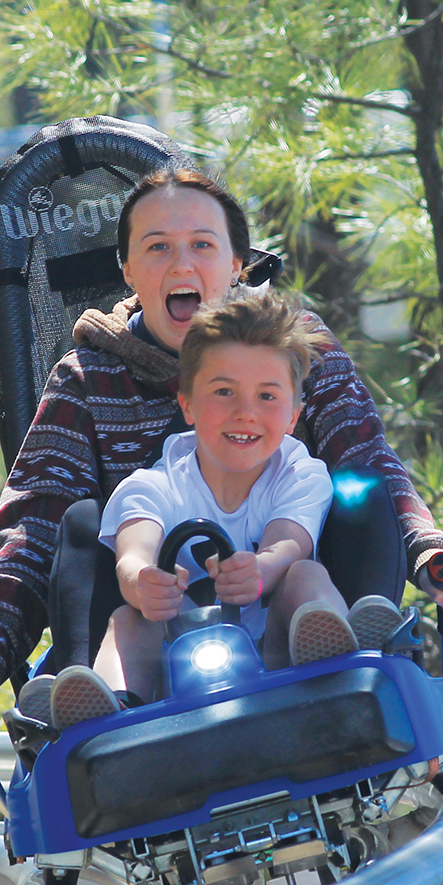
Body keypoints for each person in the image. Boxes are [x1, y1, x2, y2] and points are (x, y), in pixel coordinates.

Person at [0, 167, 443, 729]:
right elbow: (32, 534)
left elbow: (363, 454)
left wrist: (427, 549)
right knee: (84, 524)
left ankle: (353, 661)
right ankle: (102, 709)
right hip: (161, 621)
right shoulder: (90, 383)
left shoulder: (295, 347)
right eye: (158, 247)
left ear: (237, 265)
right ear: (128, 271)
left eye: (202, 246)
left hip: (289, 603)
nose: (182, 265)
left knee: (360, 492)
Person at [45, 287, 400, 728]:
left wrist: (262, 569)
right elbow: (133, 552)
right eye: (223, 393)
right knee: (129, 617)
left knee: (305, 573)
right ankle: (109, 709)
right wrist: (142, 583)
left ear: (293, 416)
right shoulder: (155, 484)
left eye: (267, 397)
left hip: (277, 658)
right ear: (188, 405)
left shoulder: (298, 473)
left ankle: (340, 655)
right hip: (176, 676)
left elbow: (289, 542)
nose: (245, 413)